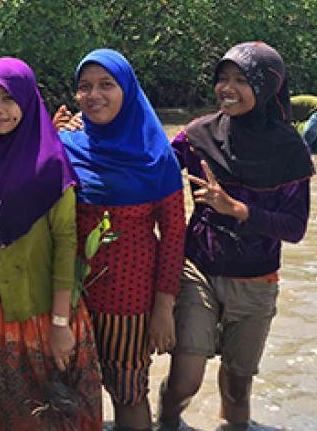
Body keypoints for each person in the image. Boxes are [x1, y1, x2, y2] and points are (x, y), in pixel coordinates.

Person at [158, 42, 313, 431]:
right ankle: (167, 421)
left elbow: (295, 227)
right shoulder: (198, 134)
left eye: (242, 80)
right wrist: (81, 134)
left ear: (267, 88)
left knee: (238, 388)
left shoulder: (290, 149)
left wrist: (239, 210)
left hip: (257, 279)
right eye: (222, 79)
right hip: (199, 270)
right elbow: (151, 163)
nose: (228, 88)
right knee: (184, 380)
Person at [59, 49, 185, 431]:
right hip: (71, 296)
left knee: (128, 392)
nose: (94, 95)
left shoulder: (157, 156)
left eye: (106, 85)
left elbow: (174, 235)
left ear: (127, 90)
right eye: (84, 87)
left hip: (128, 300)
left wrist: (164, 308)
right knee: (69, 391)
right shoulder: (66, 147)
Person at [0, 57, 102, 430]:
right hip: (2, 313)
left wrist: (60, 324)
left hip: (48, 312)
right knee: (14, 419)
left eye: (9, 99)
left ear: (28, 102)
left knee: (62, 417)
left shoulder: (51, 164)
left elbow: (66, 244)